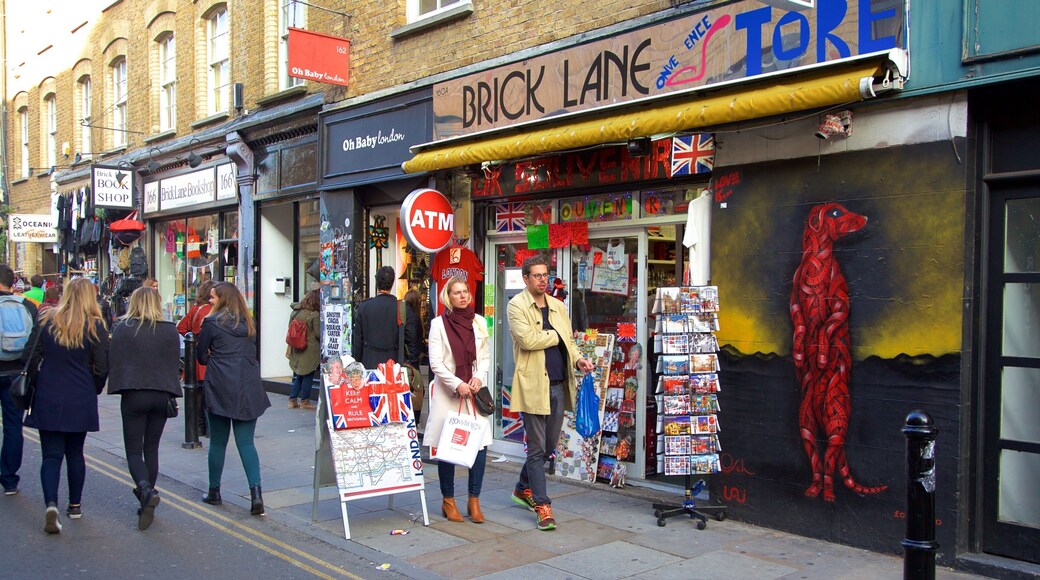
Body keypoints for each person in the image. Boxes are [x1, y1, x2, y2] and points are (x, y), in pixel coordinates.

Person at [506, 256, 593, 531]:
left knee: (548, 446)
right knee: (535, 448)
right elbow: (528, 340)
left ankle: (522, 488)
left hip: (558, 384)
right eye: (537, 276)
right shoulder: (516, 305)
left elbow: (570, 342)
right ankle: (543, 506)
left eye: (545, 275)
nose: (543, 280)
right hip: (533, 385)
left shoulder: (558, 306)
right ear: (525, 279)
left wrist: (578, 359)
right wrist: (555, 335)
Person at [24, 278, 109, 534]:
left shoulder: (46, 320)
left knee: (51, 455)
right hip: (80, 394)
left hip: (49, 393)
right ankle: (75, 506)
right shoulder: (95, 326)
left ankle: (51, 504)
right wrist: (92, 387)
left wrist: (42, 382)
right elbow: (103, 367)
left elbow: (30, 356)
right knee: (75, 453)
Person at [108, 286, 182, 530]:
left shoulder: (123, 329)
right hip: (161, 396)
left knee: (133, 451)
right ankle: (146, 499)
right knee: (152, 449)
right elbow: (175, 363)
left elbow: (113, 361)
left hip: (134, 395)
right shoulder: (170, 330)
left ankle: (145, 490)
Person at [196, 281, 270, 516]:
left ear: (223, 299)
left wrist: (215, 359)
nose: (210, 301)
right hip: (247, 385)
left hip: (220, 385)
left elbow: (200, 356)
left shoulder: (210, 323)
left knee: (218, 442)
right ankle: (256, 494)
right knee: (246, 443)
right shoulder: (249, 324)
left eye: (213, 297)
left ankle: (214, 491)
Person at [424, 277, 491, 523]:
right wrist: (457, 383)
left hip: (473, 392)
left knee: (480, 445)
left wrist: (477, 378)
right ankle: (448, 500)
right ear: (447, 297)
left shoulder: (480, 322)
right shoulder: (438, 324)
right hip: (449, 393)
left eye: (465, 291)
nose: (463, 296)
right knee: (448, 446)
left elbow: (484, 357)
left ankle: (474, 500)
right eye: (456, 292)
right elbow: (436, 363)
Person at [0, 263, 38, 496]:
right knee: (14, 427)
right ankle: (9, 479)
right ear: (13, 282)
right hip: (17, 376)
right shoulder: (27, 305)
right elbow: (36, 343)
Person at [353, 266, 421, 370]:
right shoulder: (403, 308)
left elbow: (357, 343)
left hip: (369, 365)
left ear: (377, 282)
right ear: (393, 283)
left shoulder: (363, 307)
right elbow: (412, 341)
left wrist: (357, 364)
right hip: (395, 367)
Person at [177, 280, 214, 436]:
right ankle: (209, 428)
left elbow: (181, 327)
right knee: (208, 396)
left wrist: (192, 339)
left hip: (195, 359)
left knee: (197, 395)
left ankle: (199, 428)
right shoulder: (211, 310)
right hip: (207, 358)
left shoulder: (194, 310)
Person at [286, 289, 320, 410]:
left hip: (296, 346)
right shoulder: (314, 314)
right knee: (308, 374)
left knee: (299, 374)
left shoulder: (294, 312)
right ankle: (305, 401)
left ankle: (292, 399)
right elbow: (318, 334)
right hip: (310, 349)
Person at [403, 288, 428, 424]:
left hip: (406, 359)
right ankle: (414, 421)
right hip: (411, 362)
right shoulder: (414, 318)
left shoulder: (405, 317)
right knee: (417, 391)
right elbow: (414, 340)